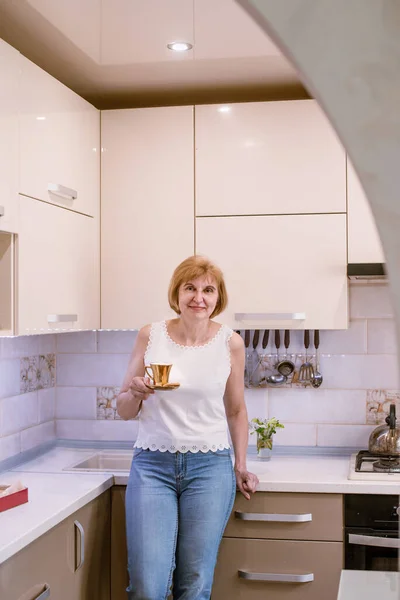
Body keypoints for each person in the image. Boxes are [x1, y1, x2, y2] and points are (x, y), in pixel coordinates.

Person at [117, 255, 259, 600]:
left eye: (208, 289)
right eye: (190, 288)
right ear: (177, 294)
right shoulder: (151, 336)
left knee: (193, 585)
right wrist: (135, 391)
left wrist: (240, 464)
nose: (199, 297)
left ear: (218, 297)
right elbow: (123, 408)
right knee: (147, 586)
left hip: (209, 468)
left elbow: (236, 410)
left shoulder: (231, 343)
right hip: (153, 465)